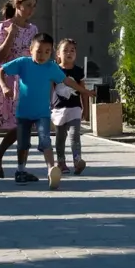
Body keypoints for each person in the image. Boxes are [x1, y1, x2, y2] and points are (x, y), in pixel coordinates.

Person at [0, 0, 39, 179]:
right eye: (28, 5)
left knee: (25, 126)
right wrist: (11, 34)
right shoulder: (4, 26)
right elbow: (1, 56)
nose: (31, 10)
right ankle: (2, 159)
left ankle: (10, 164)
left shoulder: (33, 29)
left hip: (27, 82)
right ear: (18, 4)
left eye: (34, 6)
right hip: (10, 81)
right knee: (22, 125)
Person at [0, 33, 65, 185]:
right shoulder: (23, 63)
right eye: (38, 51)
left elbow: (65, 80)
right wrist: (4, 86)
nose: (42, 55)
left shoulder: (51, 67)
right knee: (23, 143)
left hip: (42, 113)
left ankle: (51, 170)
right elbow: (0, 71)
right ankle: (20, 171)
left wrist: (83, 91)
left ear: (51, 52)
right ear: (30, 49)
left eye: (47, 52)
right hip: (24, 112)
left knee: (45, 139)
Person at [48, 38, 93, 186]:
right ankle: (61, 162)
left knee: (75, 134)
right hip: (58, 109)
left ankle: (77, 160)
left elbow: (83, 92)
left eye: (72, 50)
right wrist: (47, 107)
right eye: (65, 50)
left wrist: (86, 109)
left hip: (74, 108)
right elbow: (49, 90)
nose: (69, 53)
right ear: (58, 54)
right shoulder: (54, 70)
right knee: (60, 137)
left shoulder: (78, 71)